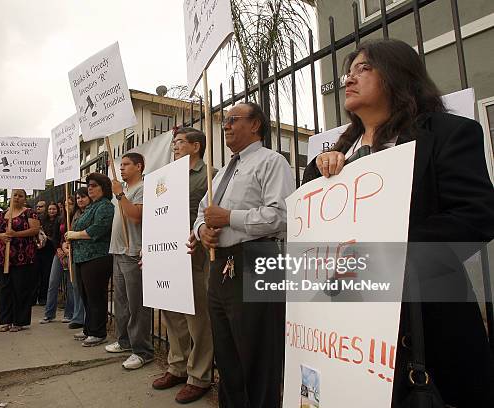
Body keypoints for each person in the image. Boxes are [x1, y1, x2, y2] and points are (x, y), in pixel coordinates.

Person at [303, 38, 494, 407]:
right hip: (349, 334)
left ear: (397, 76)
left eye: (364, 68)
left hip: (427, 325)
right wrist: (321, 174)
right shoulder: (330, 161)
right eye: (348, 71)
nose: (349, 79)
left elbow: (477, 216)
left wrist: (383, 256)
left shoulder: (446, 134)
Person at [189, 102, 293, 407]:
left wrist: (229, 218)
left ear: (256, 124)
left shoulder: (272, 162)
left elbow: (282, 216)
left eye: (233, 120)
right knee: (227, 353)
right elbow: (203, 212)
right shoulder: (221, 174)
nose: (226, 126)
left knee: (258, 355)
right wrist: (201, 232)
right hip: (220, 265)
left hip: (258, 259)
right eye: (224, 121)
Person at [151, 128, 216, 404]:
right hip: (166, 252)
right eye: (174, 142)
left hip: (194, 251)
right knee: (171, 309)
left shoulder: (209, 174)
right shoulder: (167, 177)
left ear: (196, 146)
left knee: (196, 314)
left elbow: (211, 211)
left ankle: (199, 376)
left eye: (179, 142)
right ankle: (177, 366)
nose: (174, 146)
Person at [106, 152, 154, 370]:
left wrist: (119, 196)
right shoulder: (124, 190)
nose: (122, 168)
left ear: (139, 166)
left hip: (133, 251)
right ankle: (125, 341)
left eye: (126, 164)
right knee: (122, 302)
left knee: (137, 304)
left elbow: (136, 216)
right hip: (119, 251)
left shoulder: (143, 188)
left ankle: (142, 350)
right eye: (120, 164)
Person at [66, 173, 114, 347]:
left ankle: (98, 332)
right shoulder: (91, 207)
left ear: (103, 187)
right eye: (89, 185)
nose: (90, 188)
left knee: (96, 296)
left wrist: (76, 234)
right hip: (82, 257)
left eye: (94, 185)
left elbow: (98, 229)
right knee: (86, 295)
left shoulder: (105, 206)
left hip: (97, 257)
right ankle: (89, 328)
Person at [0, 189, 40, 332]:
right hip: (3, 258)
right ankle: (6, 320)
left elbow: (35, 230)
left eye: (20, 196)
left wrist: (16, 234)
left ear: (25, 198)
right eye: (14, 195)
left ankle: (20, 321)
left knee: (20, 289)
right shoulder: (0, 214)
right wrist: (2, 236)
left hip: (22, 258)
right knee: (5, 289)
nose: (17, 198)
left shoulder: (29, 213)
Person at [40, 202, 75, 324]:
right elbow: (55, 237)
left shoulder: (77, 217)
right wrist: (59, 249)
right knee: (53, 282)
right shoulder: (60, 219)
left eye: (70, 204)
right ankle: (49, 314)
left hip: (71, 254)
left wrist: (67, 250)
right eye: (66, 204)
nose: (67, 206)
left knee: (70, 285)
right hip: (58, 254)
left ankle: (69, 313)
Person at [67, 190, 90, 333]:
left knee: (86, 290)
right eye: (78, 198)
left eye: (83, 197)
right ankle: (77, 317)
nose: (80, 200)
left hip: (86, 254)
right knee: (76, 287)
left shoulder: (89, 212)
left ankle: (85, 319)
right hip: (75, 253)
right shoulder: (74, 214)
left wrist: (74, 236)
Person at [34, 202, 58, 305]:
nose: (51, 211)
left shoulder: (59, 220)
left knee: (46, 275)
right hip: (39, 250)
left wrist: (49, 239)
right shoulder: (42, 220)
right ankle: (33, 297)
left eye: (54, 209)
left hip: (50, 251)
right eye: (50, 209)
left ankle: (43, 297)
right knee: (36, 275)